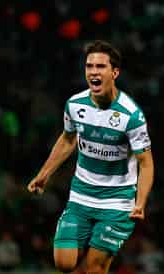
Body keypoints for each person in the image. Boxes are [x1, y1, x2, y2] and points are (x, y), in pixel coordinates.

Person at [27, 40, 154, 274]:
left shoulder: (131, 116)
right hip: (81, 195)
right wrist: (44, 174)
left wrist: (140, 202)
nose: (93, 71)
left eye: (101, 66)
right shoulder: (75, 105)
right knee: (64, 263)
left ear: (114, 72)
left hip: (117, 201)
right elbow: (67, 140)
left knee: (95, 268)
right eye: (89, 66)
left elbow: (146, 162)